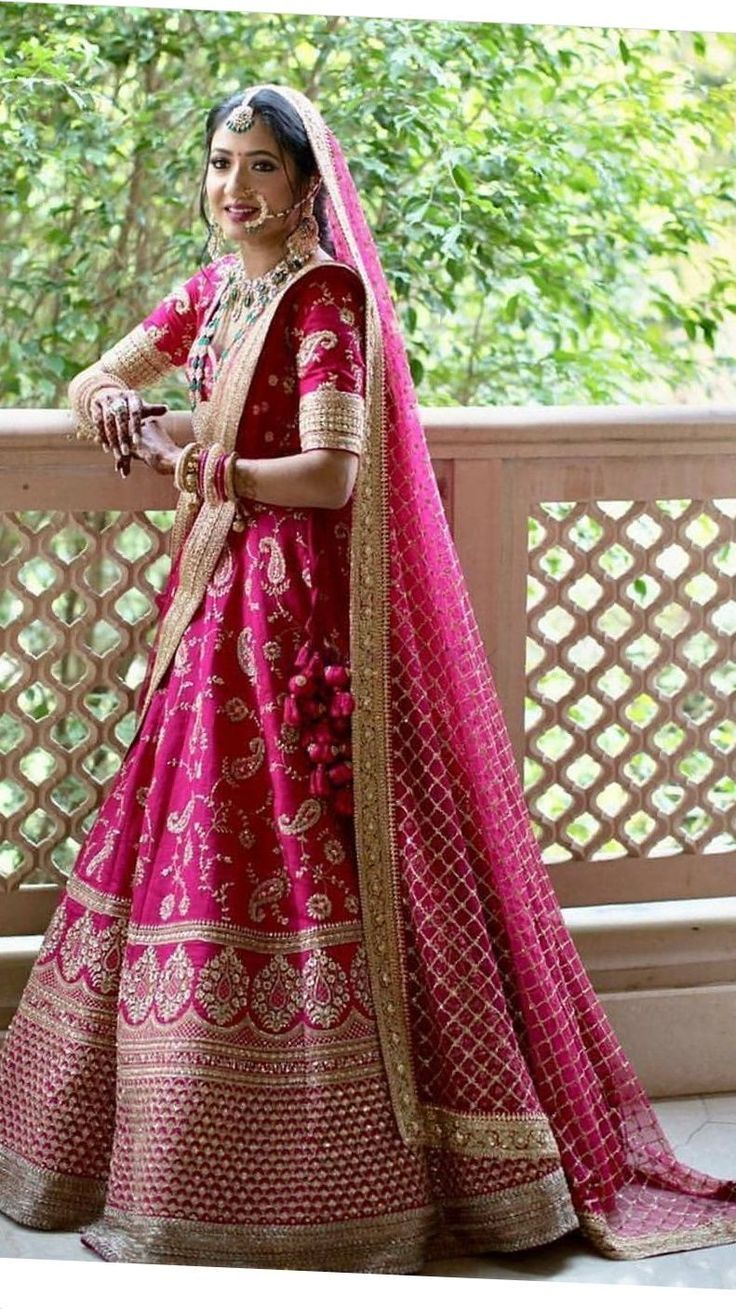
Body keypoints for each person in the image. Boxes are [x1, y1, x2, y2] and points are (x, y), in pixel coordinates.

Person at [0, 84, 735, 1273]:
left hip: (295, 617)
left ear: (303, 191)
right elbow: (93, 377)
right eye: (218, 164)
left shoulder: (318, 297)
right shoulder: (217, 290)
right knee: (190, 836)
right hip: (213, 601)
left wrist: (203, 456)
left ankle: (338, 1163)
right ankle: (167, 1146)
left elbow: (330, 478)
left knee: (307, 846)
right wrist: (121, 412)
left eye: (259, 170)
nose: (232, 188)